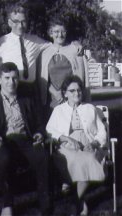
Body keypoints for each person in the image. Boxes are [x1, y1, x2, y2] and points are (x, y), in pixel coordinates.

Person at [0, 62, 50, 216]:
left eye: (15, 78)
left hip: (25, 139)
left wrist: (39, 133)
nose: (11, 82)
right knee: (3, 158)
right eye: (7, 78)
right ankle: (7, 204)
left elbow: (40, 124)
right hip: (3, 141)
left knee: (42, 156)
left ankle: (45, 204)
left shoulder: (27, 100)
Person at [46, 75, 107, 215]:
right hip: (67, 147)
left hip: (88, 145)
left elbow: (102, 131)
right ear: (65, 93)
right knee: (77, 161)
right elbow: (49, 130)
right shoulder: (58, 110)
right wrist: (64, 138)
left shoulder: (90, 108)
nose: (76, 93)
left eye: (79, 90)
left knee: (89, 159)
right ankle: (80, 202)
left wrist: (95, 143)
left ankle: (77, 200)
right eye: (72, 91)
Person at [0, 3, 50, 97]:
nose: (20, 25)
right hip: (9, 89)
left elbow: (54, 46)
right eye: (16, 22)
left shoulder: (35, 41)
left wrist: (73, 44)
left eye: (23, 21)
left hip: (30, 89)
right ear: (9, 23)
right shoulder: (0, 43)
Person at [39, 18, 90, 118]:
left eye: (63, 31)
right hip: (52, 97)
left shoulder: (75, 50)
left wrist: (66, 93)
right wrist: (55, 93)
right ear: (50, 33)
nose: (60, 35)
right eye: (56, 32)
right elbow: (42, 78)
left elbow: (81, 76)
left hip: (71, 95)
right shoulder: (44, 52)